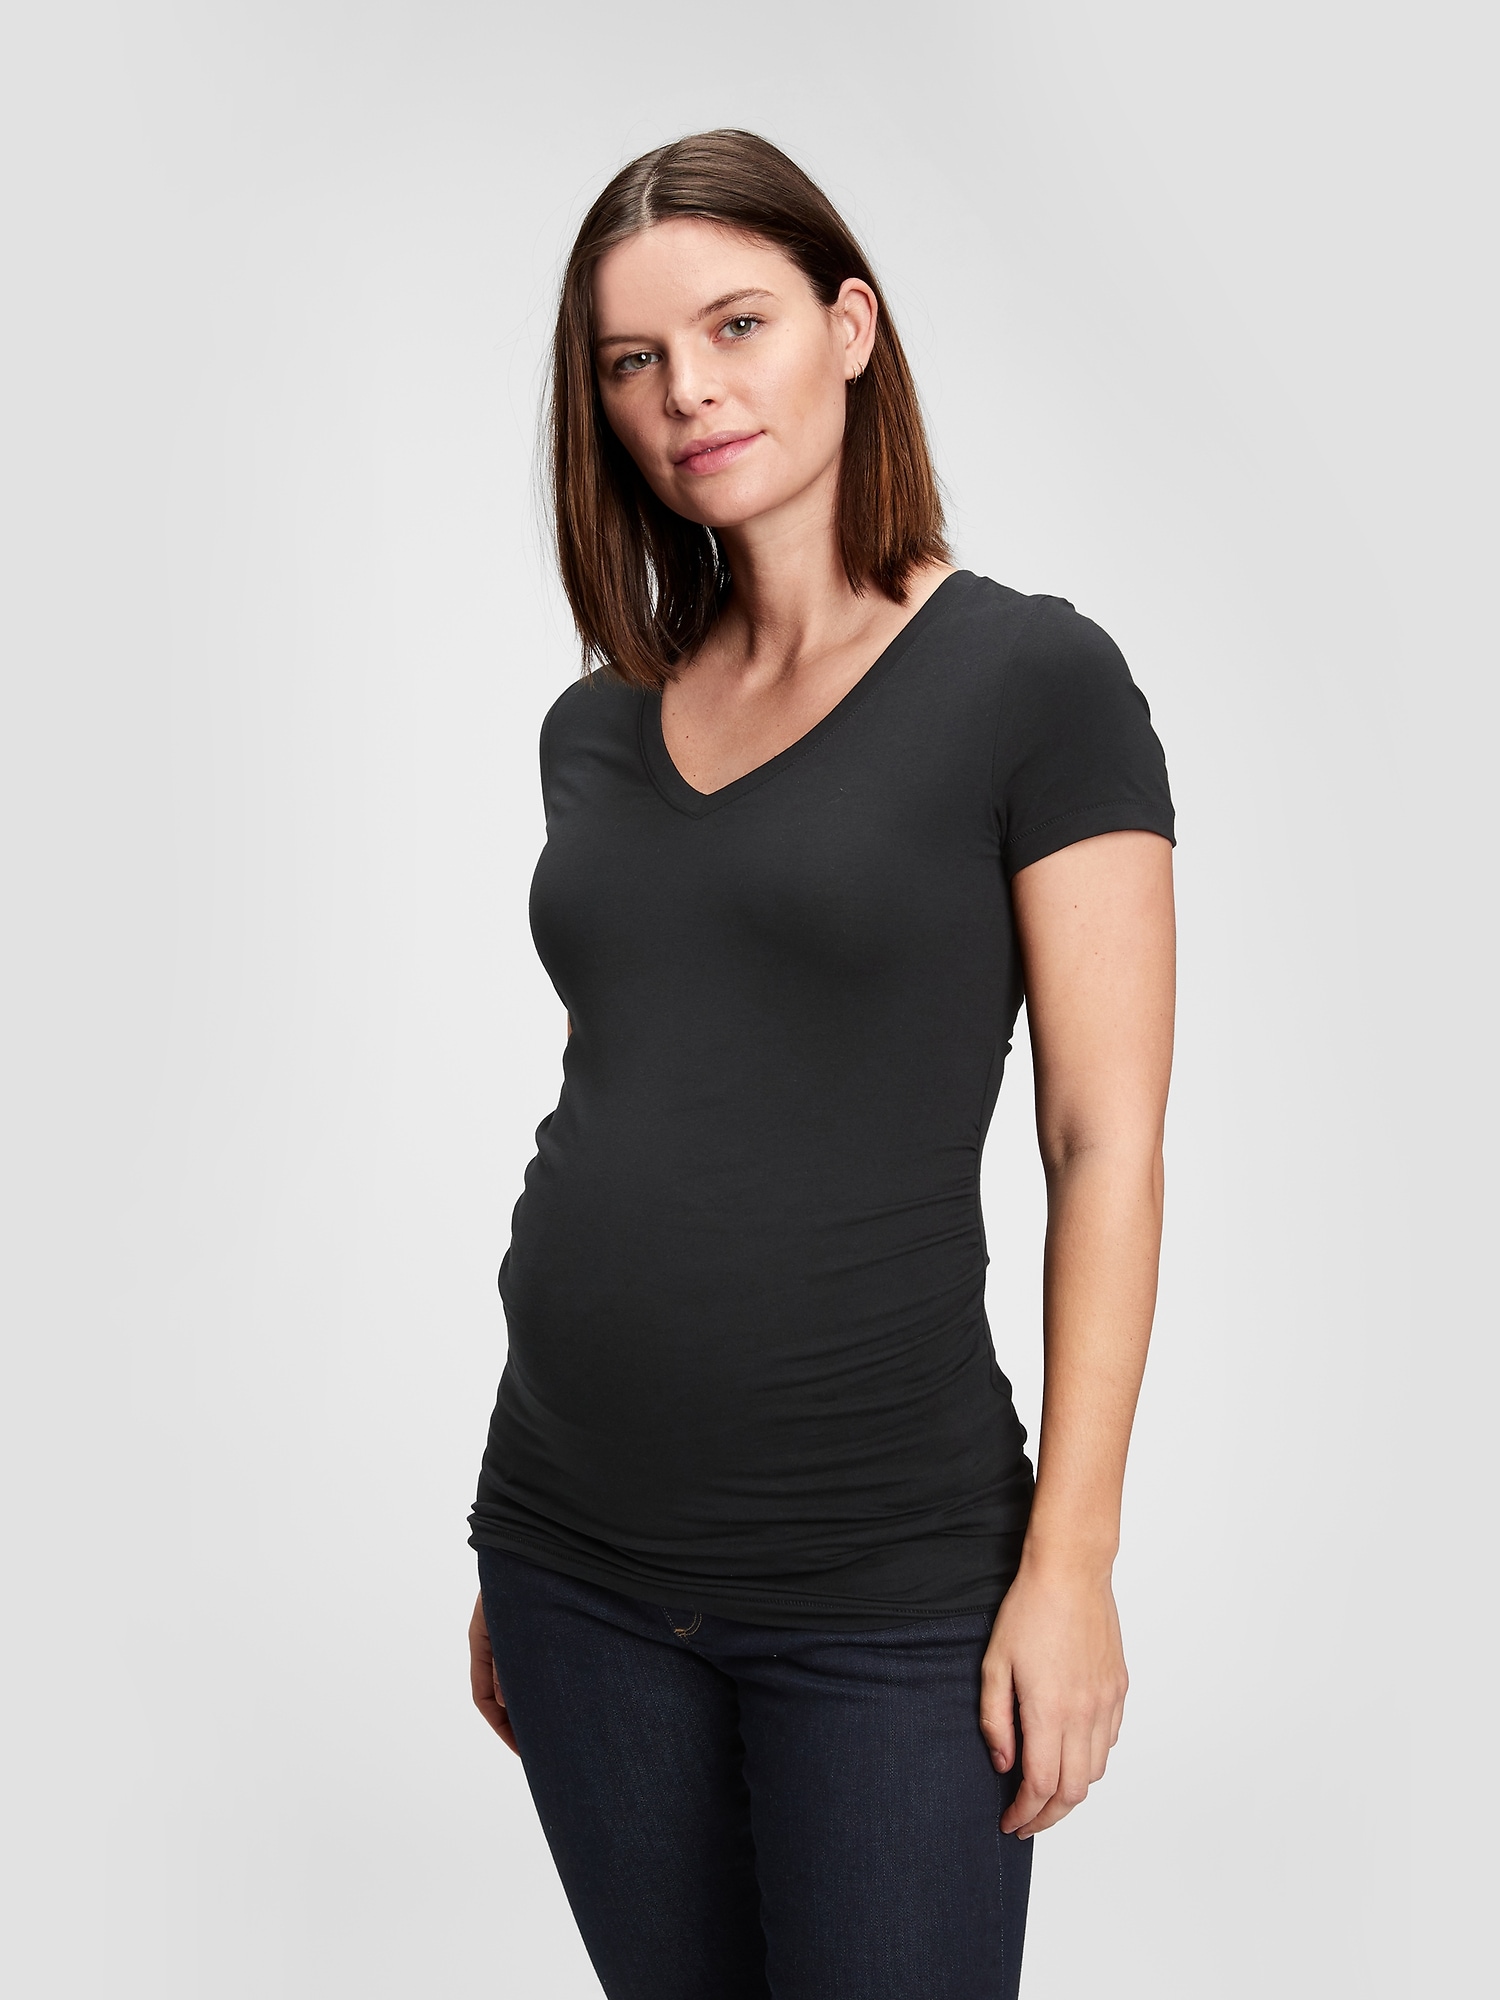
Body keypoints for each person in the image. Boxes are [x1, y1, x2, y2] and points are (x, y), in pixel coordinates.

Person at [466, 129, 1175, 2000]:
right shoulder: (597, 725)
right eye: (633, 360)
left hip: (884, 1582)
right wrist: (515, 1551)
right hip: (569, 1550)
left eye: (737, 325)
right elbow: (638, 1092)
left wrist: (1073, 1564)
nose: (687, 391)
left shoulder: (1032, 682)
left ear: (850, 327)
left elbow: (1102, 1140)